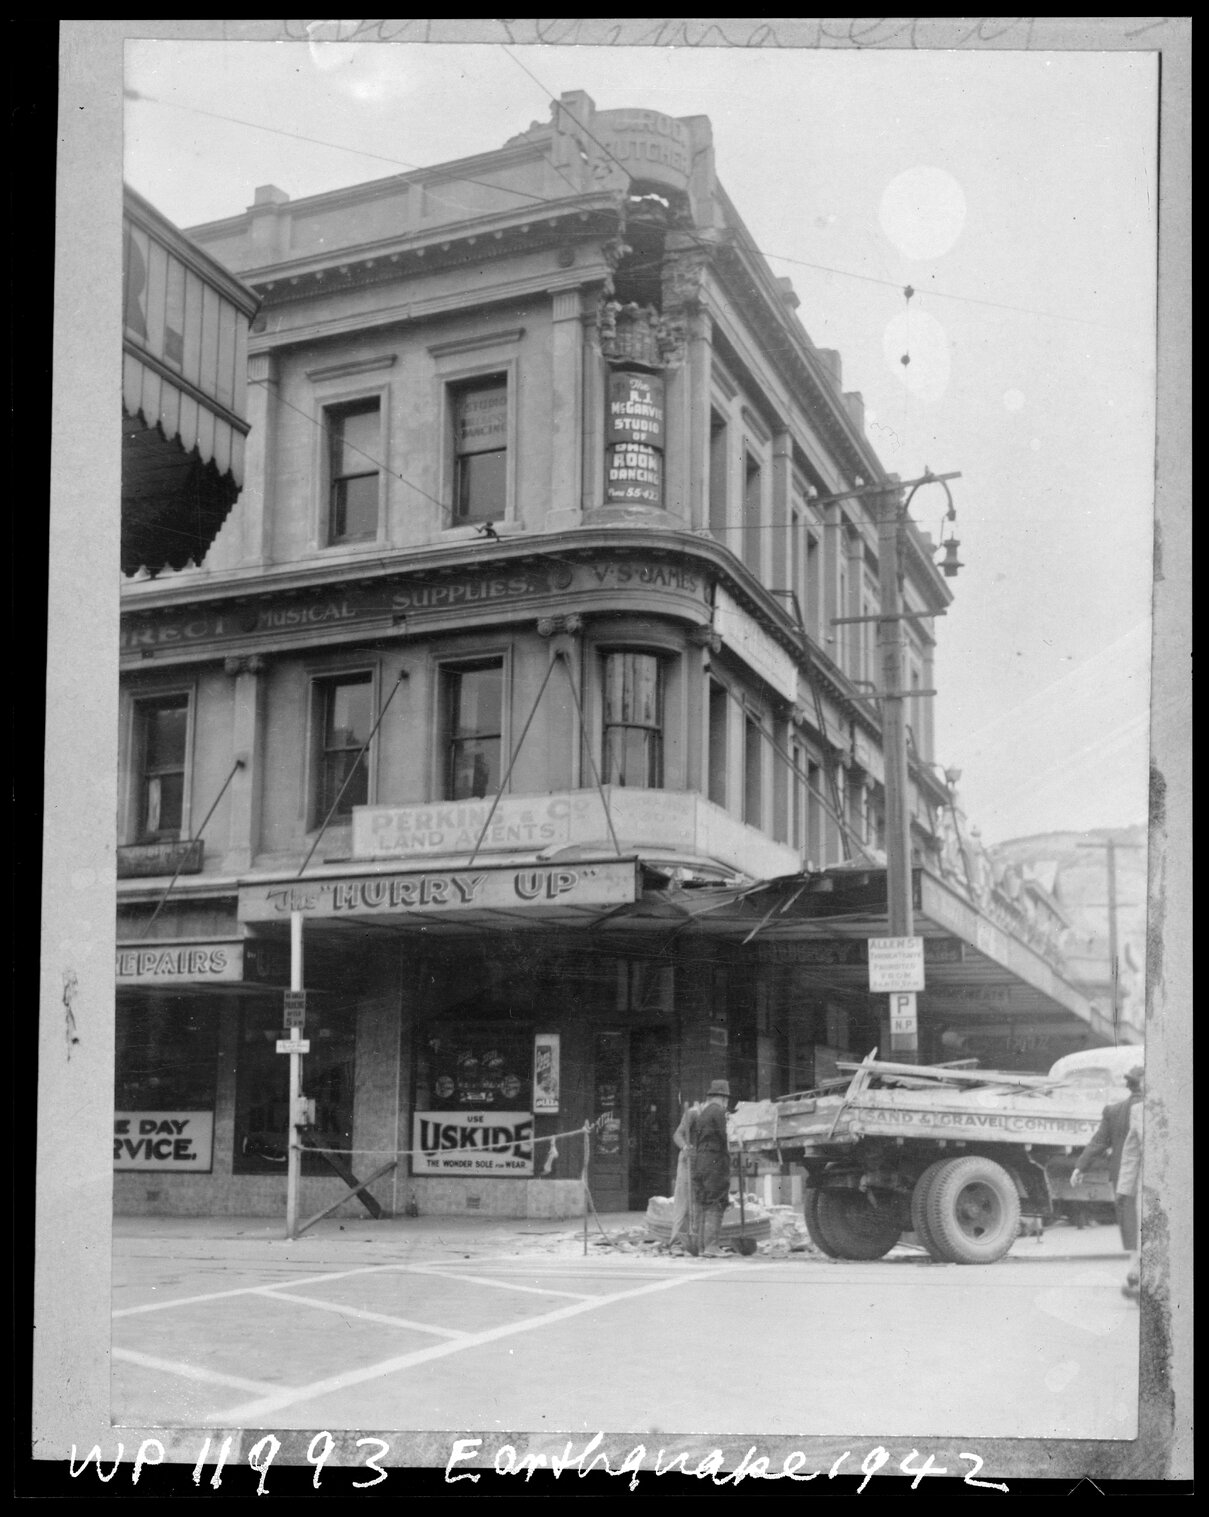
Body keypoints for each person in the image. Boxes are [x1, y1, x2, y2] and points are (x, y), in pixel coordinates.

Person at [1070, 1064, 1144, 1250]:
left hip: (1122, 1175)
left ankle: (1133, 1264)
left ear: (1129, 1085)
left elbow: (1098, 1142)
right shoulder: (1154, 1109)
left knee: (1128, 1219)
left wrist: (1080, 1167)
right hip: (1148, 1173)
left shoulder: (1113, 1111)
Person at [689, 1079, 732, 1258]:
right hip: (715, 1159)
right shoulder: (720, 1112)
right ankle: (712, 1247)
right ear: (723, 1098)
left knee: (702, 1200)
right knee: (716, 1200)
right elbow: (726, 1136)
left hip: (700, 1160)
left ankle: (700, 1246)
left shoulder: (703, 1113)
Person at [1116, 1100, 1143, 1300]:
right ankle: (1140, 1279)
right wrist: (1124, 1189)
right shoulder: (1138, 1110)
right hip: (1148, 1185)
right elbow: (1131, 1153)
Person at [668, 1099, 699, 1256]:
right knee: (683, 1201)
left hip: (704, 1161)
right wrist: (686, 1146)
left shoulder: (721, 1115)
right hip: (688, 1160)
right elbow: (677, 1135)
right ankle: (676, 1242)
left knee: (699, 1202)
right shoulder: (693, 1113)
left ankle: (697, 1240)